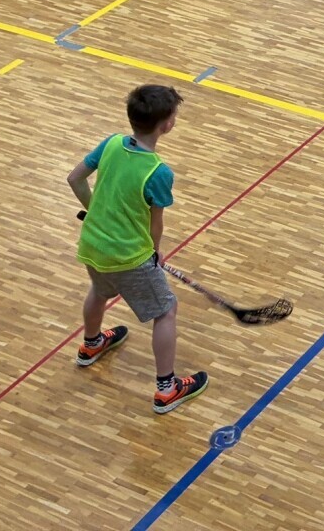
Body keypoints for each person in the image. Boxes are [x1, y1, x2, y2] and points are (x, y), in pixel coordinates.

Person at [69, 84, 210, 414]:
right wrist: (154, 250)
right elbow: (155, 223)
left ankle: (91, 345)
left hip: (93, 244)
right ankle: (167, 389)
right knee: (166, 311)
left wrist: (95, 212)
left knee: (99, 291)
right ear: (167, 124)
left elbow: (74, 179)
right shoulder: (158, 172)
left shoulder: (111, 143)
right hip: (128, 256)